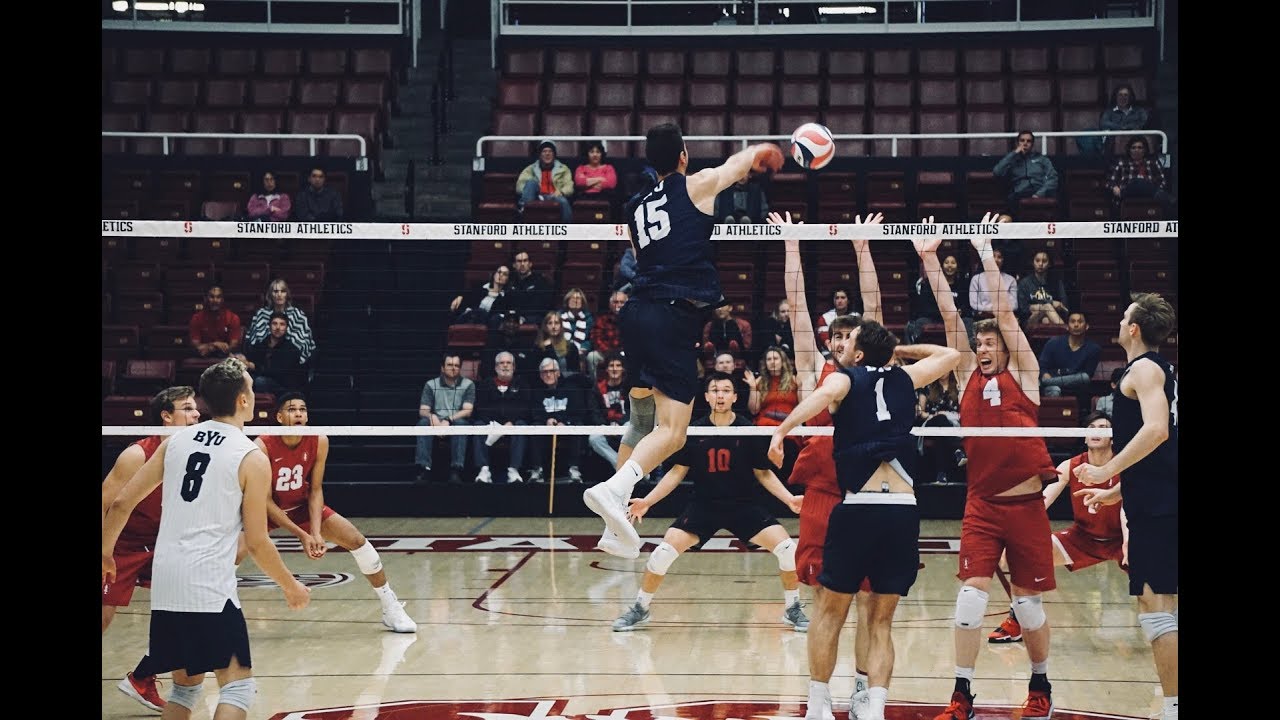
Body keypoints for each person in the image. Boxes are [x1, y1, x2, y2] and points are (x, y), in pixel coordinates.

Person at [583, 122, 784, 560]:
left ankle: (615, 529)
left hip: (634, 314)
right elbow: (738, 164)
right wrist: (763, 147)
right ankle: (615, 491)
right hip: (672, 316)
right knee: (673, 433)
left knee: (639, 421)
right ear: (683, 157)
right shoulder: (697, 185)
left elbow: (641, 256)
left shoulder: (635, 207)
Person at [769, 320, 961, 720]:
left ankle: (818, 706)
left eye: (850, 341)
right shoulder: (905, 377)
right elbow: (951, 356)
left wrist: (781, 431)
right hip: (902, 512)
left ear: (857, 354)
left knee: (830, 612)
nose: (841, 345)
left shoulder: (845, 379)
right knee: (880, 620)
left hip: (860, 507)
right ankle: (873, 709)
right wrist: (900, 352)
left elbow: (820, 397)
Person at [101, 357, 310, 720]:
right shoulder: (250, 456)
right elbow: (257, 542)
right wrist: (290, 585)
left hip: (166, 584)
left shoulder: (175, 443)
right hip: (209, 587)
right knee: (239, 687)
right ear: (244, 401)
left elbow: (120, 502)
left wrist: (105, 552)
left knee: (184, 689)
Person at [916, 223, 1060, 720]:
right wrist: (928, 258)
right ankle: (962, 694)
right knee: (969, 603)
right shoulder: (965, 376)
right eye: (978, 342)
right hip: (981, 506)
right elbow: (947, 314)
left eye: (990, 341)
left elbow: (1003, 311)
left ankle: (1040, 683)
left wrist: (983, 252)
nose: (982, 346)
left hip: (1025, 507)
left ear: (1005, 346)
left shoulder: (1025, 373)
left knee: (1028, 609)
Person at [769, 209, 884, 720]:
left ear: (861, 343)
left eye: (847, 338)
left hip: (871, 496)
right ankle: (818, 698)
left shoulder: (877, 370)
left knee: (869, 605)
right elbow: (797, 312)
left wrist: (863, 247)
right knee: (824, 604)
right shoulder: (819, 371)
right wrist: (792, 243)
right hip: (822, 498)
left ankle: (862, 690)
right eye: (834, 338)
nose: (839, 344)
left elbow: (875, 308)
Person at [611, 371, 807, 632]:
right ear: (706, 395)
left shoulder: (748, 430)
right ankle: (640, 607)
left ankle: (793, 608)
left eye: (726, 390)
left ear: (735, 396)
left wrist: (789, 499)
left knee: (787, 549)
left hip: (744, 505)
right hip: (704, 505)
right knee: (662, 553)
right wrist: (647, 501)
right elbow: (676, 473)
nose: (720, 395)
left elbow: (764, 473)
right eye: (715, 390)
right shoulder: (693, 429)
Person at [1073, 292, 1179, 720]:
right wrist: (1116, 492)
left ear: (1134, 328)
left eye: (1123, 318)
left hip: (1159, 507)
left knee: (1158, 608)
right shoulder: (1155, 369)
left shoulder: (1146, 369)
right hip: (1154, 498)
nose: (1117, 323)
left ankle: (1172, 708)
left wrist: (1106, 471)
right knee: (1157, 606)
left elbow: (1156, 431)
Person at [250, 392, 417, 633]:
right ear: (278, 416)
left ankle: (390, 607)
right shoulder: (262, 445)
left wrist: (316, 532)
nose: (298, 413)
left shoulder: (319, 439)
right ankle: (216, 613)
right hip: (268, 509)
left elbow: (316, 490)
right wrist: (302, 535)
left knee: (357, 540)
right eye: (291, 409)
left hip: (301, 506)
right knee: (235, 550)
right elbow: (264, 501)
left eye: (303, 409)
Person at [101, 386, 201, 712]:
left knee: (189, 615)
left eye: (196, 408)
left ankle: (143, 676)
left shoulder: (194, 453)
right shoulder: (137, 455)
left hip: (163, 545)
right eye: (187, 408)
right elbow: (107, 504)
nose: (196, 414)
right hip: (122, 543)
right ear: (166, 416)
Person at [989, 411, 1128, 643]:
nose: (1097, 431)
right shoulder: (1071, 465)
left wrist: (1128, 541)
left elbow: (1128, 509)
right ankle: (1018, 621)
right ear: (1083, 436)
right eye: (1092, 427)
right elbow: (1042, 501)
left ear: (1112, 437)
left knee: (1155, 582)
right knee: (1025, 556)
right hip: (1082, 537)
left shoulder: (1124, 464)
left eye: (1103, 427)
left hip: (1120, 538)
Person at [472, 351, 532, 484]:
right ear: (495, 367)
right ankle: (484, 470)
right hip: (490, 425)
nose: (505, 366)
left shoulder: (522, 384)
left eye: (508, 363)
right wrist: (496, 424)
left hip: (513, 424)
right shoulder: (485, 384)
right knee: (478, 425)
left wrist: (511, 422)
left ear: (514, 367)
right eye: (501, 363)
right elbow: (481, 408)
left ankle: (513, 470)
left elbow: (525, 408)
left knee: (522, 425)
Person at [415, 353, 476, 484]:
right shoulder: (431, 384)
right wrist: (433, 417)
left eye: (456, 365)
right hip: (436, 421)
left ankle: (456, 470)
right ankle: (424, 469)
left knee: (462, 424)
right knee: (422, 423)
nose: (453, 368)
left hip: (455, 421)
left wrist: (448, 420)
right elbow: (423, 410)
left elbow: (467, 411)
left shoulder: (468, 384)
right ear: (442, 368)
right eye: (449, 365)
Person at [245, 278, 316, 364]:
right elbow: (254, 340)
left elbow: (303, 342)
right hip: (264, 359)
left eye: (283, 291)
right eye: (275, 291)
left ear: (287, 294)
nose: (279, 295)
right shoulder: (261, 314)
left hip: (290, 360)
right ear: (270, 294)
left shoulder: (297, 314)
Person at [1105, 135, 1173, 216]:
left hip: (1149, 195)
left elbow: (1163, 182)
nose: (1136, 150)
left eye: (1140, 147)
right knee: (1137, 182)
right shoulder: (1121, 163)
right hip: (1127, 194)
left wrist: (1151, 187)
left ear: (1145, 150)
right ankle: (1167, 199)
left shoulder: (1153, 162)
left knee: (1141, 183)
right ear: (1129, 150)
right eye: (1133, 148)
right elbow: (1109, 182)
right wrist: (1114, 188)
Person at [993, 130, 1058, 215]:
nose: (1025, 143)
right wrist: (1014, 153)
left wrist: (1040, 194)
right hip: (1020, 193)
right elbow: (997, 172)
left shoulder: (1042, 159)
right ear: (1018, 143)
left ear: (1032, 144)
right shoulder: (1012, 160)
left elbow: (1053, 178)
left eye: (1028, 141)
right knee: (1011, 201)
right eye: (1022, 140)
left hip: (1038, 190)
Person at [1038, 311, 1102, 398]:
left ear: (1086, 326)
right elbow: (1043, 366)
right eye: (1072, 322)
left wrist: (1049, 381)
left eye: (1080, 322)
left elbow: (1087, 375)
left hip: (1076, 384)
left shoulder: (1094, 348)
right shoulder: (1053, 343)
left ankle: (1044, 382)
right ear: (1067, 326)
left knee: (1084, 378)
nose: (1076, 325)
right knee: (1054, 389)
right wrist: (1045, 374)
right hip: (1053, 383)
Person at [241, 311, 305, 395]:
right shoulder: (261, 344)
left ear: (286, 328)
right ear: (269, 326)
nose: (278, 327)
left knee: (260, 381)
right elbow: (250, 358)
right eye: (274, 324)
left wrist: (254, 366)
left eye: (282, 324)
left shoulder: (292, 349)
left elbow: (278, 373)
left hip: (282, 386)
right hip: (261, 380)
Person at [516, 140, 574, 222]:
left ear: (554, 155)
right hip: (536, 196)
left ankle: (569, 230)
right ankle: (524, 216)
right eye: (544, 151)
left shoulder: (563, 169)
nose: (547, 154)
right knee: (531, 183)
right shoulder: (530, 169)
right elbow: (519, 186)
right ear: (540, 155)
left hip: (554, 196)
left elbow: (569, 187)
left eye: (550, 151)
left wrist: (561, 192)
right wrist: (532, 190)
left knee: (563, 201)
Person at [1017, 250, 1070, 328]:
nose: (1040, 264)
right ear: (1033, 262)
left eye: (1044, 261)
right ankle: (1066, 330)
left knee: (1046, 320)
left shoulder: (1056, 282)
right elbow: (1023, 309)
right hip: (1029, 322)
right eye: (1037, 260)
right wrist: (1051, 303)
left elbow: (1064, 307)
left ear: (1049, 264)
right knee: (1047, 307)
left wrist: (1035, 307)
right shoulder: (1024, 283)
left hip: (1051, 318)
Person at [188, 284, 243, 358]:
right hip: (203, 358)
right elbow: (196, 346)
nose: (215, 300)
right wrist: (214, 344)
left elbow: (233, 345)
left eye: (218, 297)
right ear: (205, 298)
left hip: (225, 358)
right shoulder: (196, 318)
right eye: (211, 297)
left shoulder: (233, 318)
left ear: (223, 299)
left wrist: (211, 347)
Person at [585, 290, 628, 379]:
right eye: (615, 302)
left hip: (625, 353)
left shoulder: (633, 320)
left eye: (622, 302)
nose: (618, 305)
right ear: (610, 304)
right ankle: (596, 387)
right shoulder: (602, 319)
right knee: (591, 357)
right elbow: (596, 337)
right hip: (606, 352)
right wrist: (609, 352)